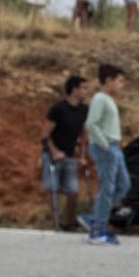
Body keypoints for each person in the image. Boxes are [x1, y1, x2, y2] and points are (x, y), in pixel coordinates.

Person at [80, 64, 130, 246]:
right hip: (106, 147)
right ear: (108, 80)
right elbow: (91, 124)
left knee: (124, 184)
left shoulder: (108, 99)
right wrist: (105, 145)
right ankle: (98, 230)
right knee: (108, 188)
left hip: (113, 147)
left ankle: (95, 217)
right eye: (119, 80)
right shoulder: (100, 98)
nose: (122, 84)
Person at [41, 75, 90, 231]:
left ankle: (67, 222)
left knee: (73, 192)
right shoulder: (58, 109)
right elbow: (44, 134)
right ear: (74, 89)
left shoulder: (84, 110)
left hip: (70, 156)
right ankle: (55, 221)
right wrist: (54, 152)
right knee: (51, 189)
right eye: (83, 88)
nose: (86, 91)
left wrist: (82, 156)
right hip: (52, 156)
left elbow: (83, 135)